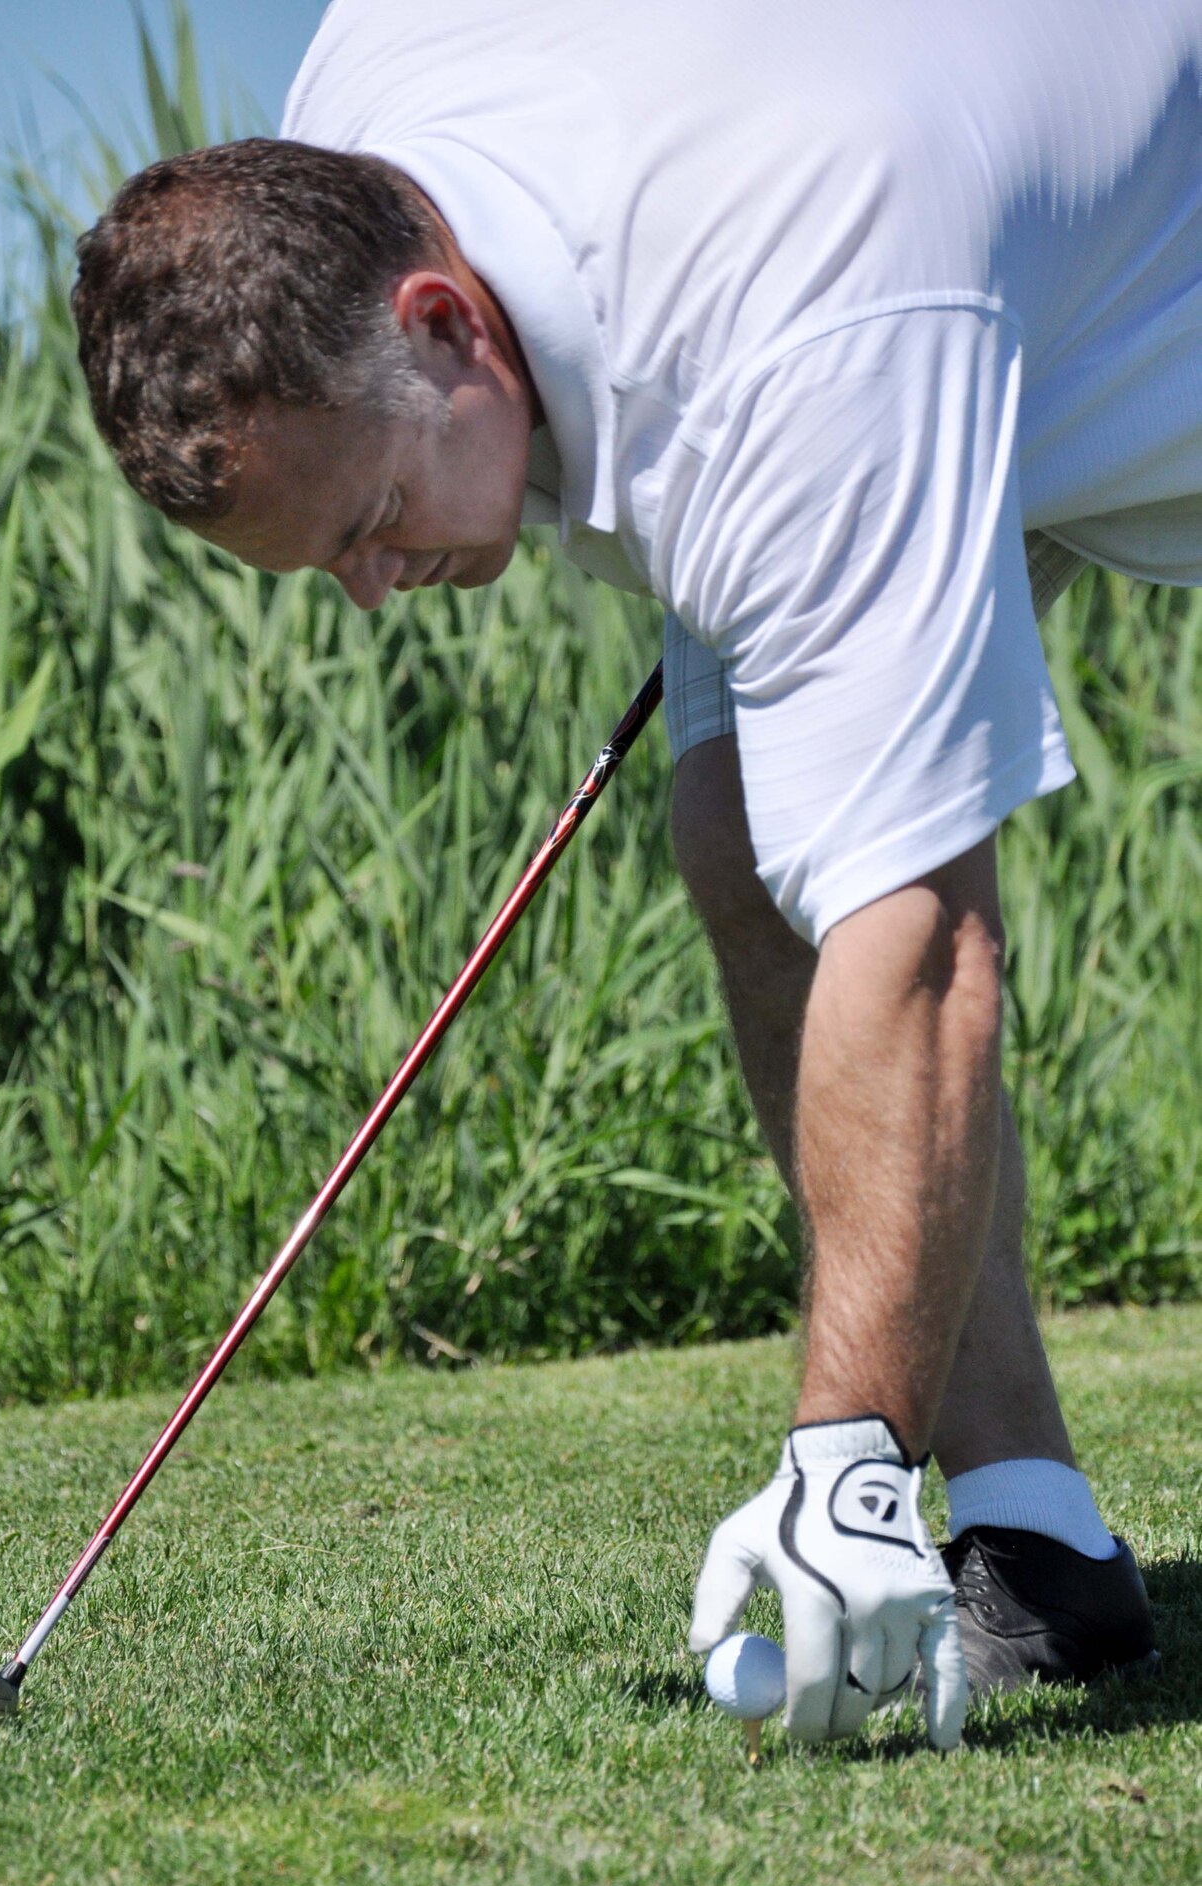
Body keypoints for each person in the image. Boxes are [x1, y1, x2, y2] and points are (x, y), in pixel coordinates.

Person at [70, 0, 1202, 1748]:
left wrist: (840, 1460)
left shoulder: (796, 322)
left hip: (1069, 280)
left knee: (866, 880)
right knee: (737, 820)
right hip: (912, 248)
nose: (376, 594)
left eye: (373, 521)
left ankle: (875, 1489)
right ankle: (1040, 1545)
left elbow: (920, 940)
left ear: (440, 316)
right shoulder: (351, 117)